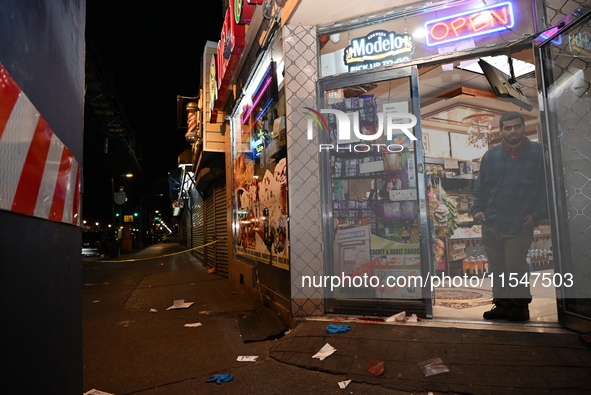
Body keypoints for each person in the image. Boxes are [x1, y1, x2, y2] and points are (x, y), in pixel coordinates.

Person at [471, 111, 548, 321]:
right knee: (497, 267)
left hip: (519, 223)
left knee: (515, 266)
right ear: (501, 130)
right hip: (491, 222)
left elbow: (546, 189)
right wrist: (476, 209)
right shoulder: (491, 156)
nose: (512, 131)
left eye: (516, 126)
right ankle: (502, 305)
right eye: (508, 127)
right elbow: (480, 187)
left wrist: (536, 215)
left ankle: (520, 306)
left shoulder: (538, 153)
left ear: (523, 127)